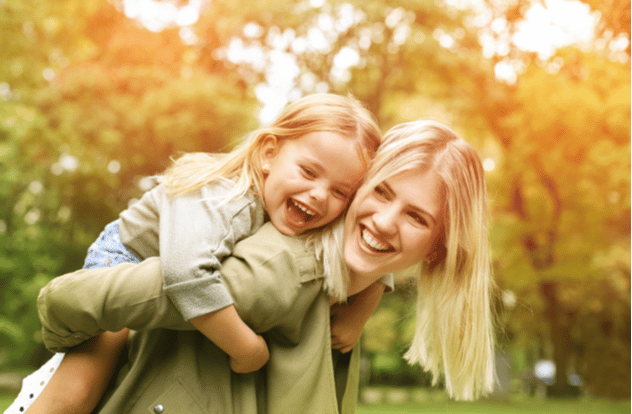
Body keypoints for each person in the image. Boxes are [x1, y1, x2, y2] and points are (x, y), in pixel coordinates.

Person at [19, 119, 494, 413]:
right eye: (383, 193)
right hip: (111, 276)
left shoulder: (348, 276)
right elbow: (90, 295)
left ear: (437, 248)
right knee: (71, 396)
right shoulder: (281, 263)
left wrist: (366, 302)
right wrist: (63, 319)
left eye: (416, 217)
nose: (384, 221)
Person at [6, 93, 384, 414]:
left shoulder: (303, 209)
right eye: (308, 171)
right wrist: (247, 349)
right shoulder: (225, 197)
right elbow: (186, 274)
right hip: (125, 259)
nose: (320, 194)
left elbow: (375, 246)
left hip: (179, 275)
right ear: (269, 153)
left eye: (340, 192)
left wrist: (361, 310)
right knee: (77, 393)